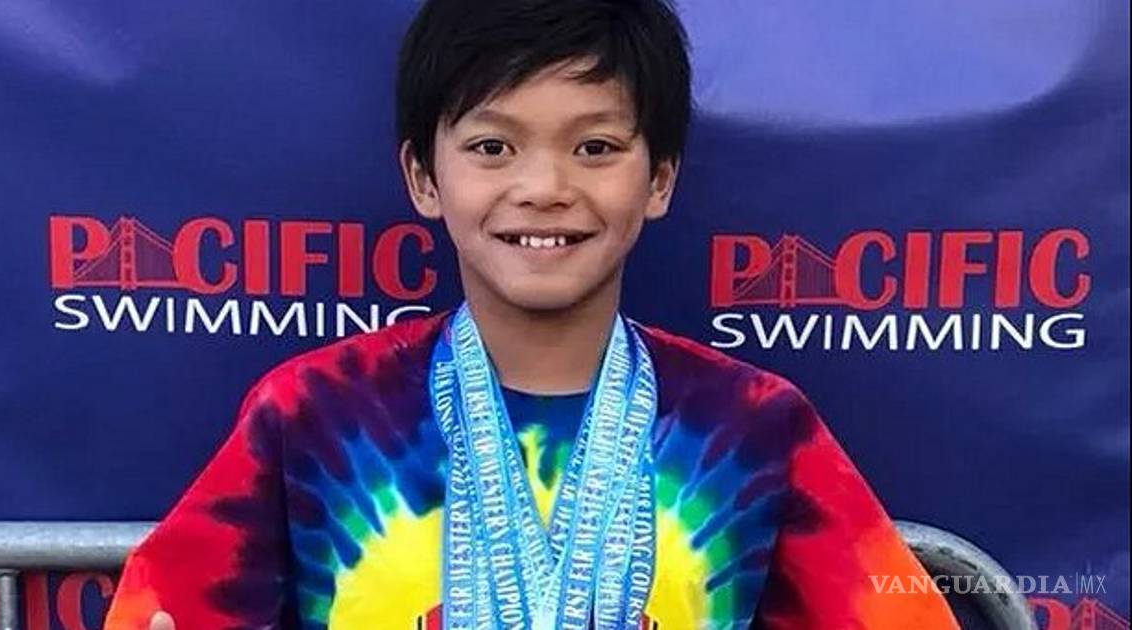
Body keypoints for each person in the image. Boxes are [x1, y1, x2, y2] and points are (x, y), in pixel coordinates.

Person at [104, 1, 959, 628]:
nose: (544, 187)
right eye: (492, 147)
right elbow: (166, 609)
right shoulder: (316, 415)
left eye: (596, 147)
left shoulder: (751, 428)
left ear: (659, 178)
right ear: (424, 178)